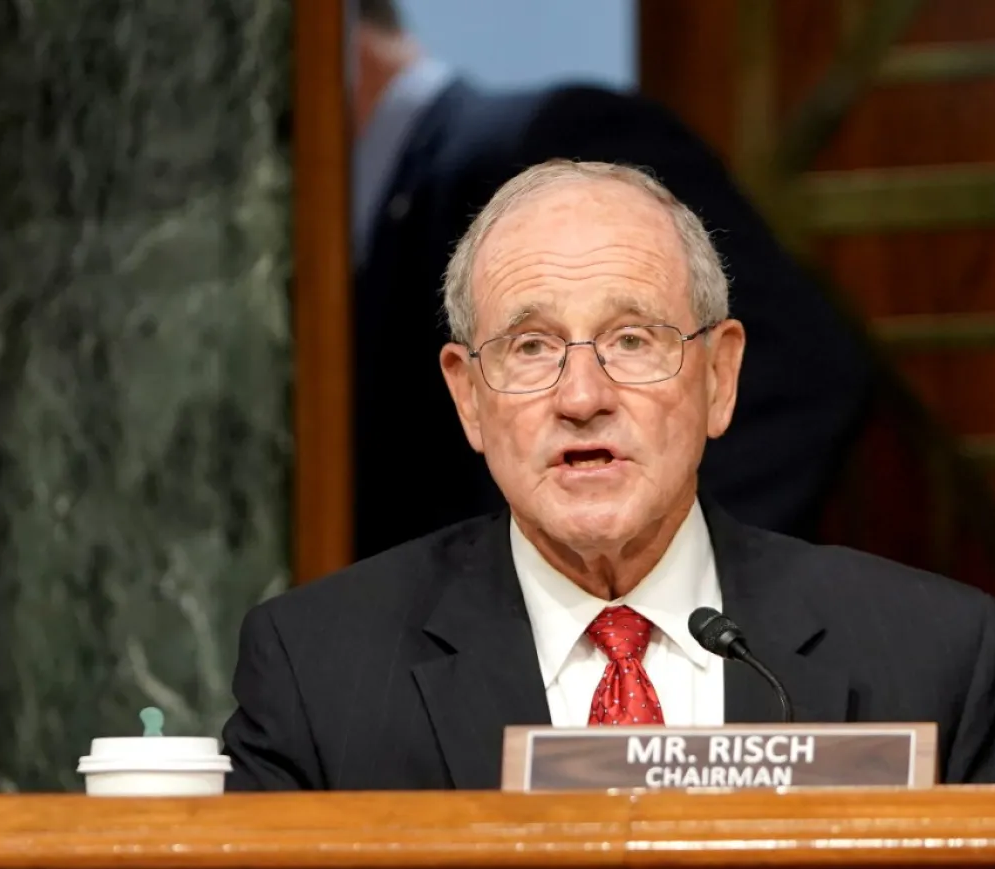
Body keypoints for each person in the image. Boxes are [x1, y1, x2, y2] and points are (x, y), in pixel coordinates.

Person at [223, 160, 995, 790]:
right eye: (531, 347)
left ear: (720, 378)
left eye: (633, 340)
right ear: (468, 397)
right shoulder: (317, 676)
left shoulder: (931, 659)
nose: (582, 397)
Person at [348, 0, 873, 558]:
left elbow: (794, 381)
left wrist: (631, 600)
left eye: (628, 341)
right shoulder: (369, 218)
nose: (579, 398)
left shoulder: (558, 140)